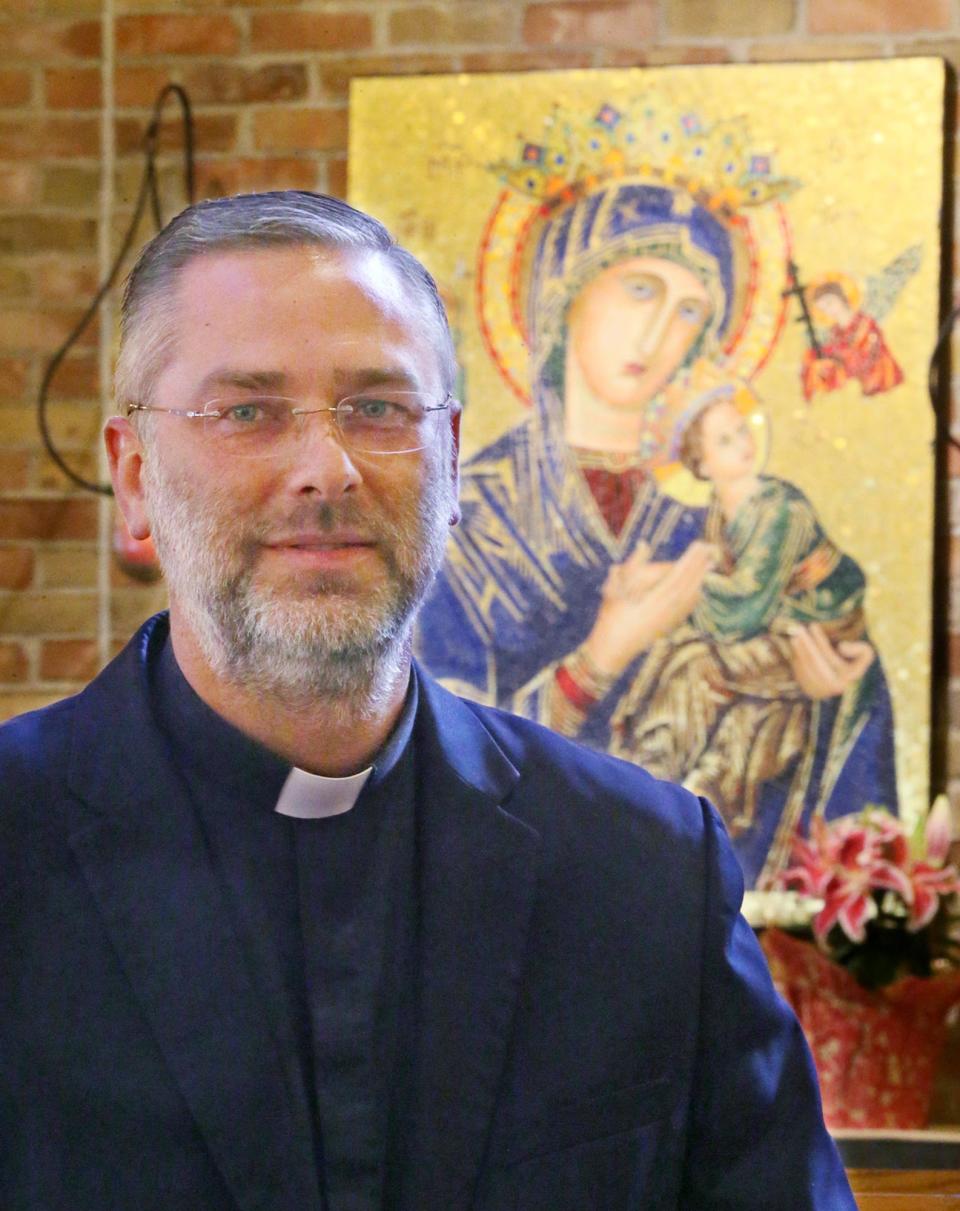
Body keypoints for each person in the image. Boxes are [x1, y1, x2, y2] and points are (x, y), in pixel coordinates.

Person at [0, 191, 855, 1210]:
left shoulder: (647, 873)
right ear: (135, 478)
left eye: (378, 407)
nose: (329, 466)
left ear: (451, 462)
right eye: (247, 410)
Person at [416, 174, 897, 884]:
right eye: (640, 289)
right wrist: (598, 660)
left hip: (691, 898)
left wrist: (833, 687)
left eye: (689, 311)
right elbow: (413, 750)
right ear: (567, 290)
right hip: (515, 903)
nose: (658, 332)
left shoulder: (713, 512)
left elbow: (838, 680)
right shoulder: (462, 513)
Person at [610, 387, 879, 883]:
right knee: (678, 654)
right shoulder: (722, 509)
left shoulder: (780, 507)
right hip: (778, 630)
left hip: (819, 627)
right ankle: (646, 783)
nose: (744, 443)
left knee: (701, 667)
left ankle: (662, 790)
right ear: (701, 464)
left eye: (742, 430)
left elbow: (744, 606)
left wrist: (668, 582)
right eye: (725, 439)